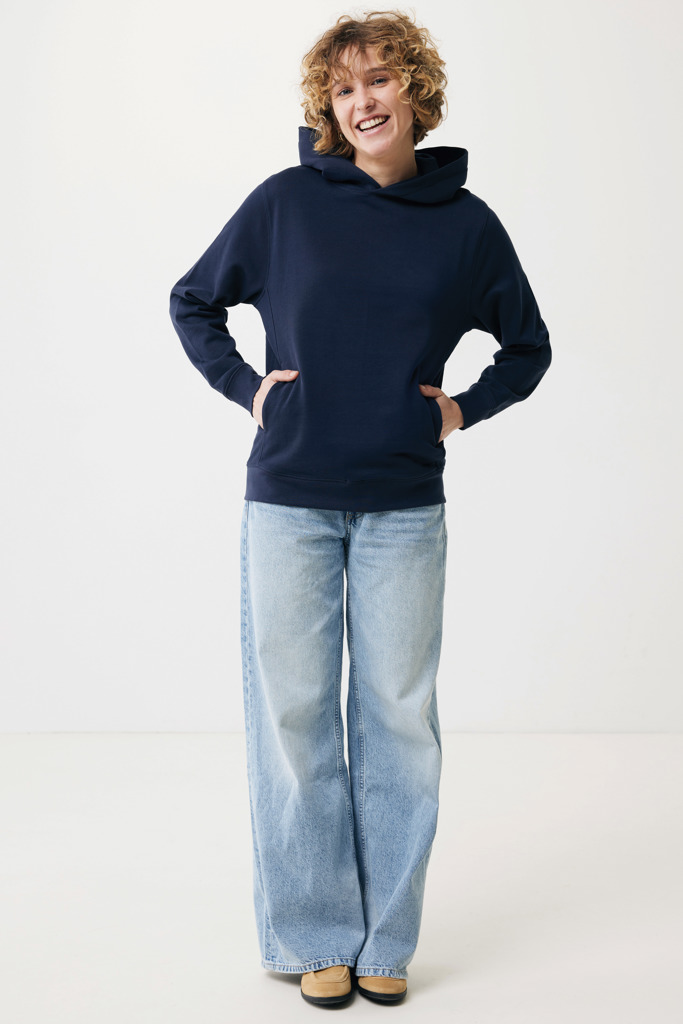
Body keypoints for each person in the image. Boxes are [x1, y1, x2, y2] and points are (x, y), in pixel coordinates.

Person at [169, 9, 551, 1008]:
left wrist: (460, 409)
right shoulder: (285, 203)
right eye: (342, 89)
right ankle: (311, 933)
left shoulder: (466, 225)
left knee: (398, 723)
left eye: (378, 79)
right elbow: (193, 300)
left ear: (415, 89)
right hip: (288, 500)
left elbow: (527, 346)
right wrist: (249, 389)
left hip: (401, 507)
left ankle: (386, 937)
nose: (361, 101)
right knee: (294, 719)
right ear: (326, 109)